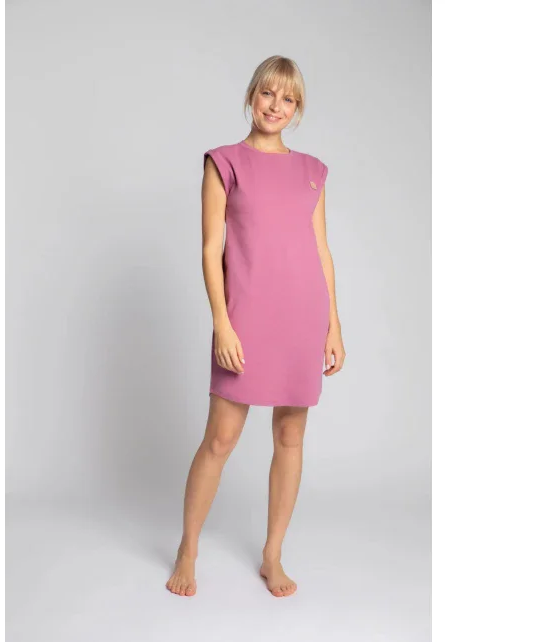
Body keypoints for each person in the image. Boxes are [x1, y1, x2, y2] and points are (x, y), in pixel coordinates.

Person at [166, 55, 346, 598]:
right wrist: (221, 323)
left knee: (290, 436)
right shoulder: (224, 162)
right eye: (268, 93)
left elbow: (321, 250)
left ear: (298, 109)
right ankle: (188, 548)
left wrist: (333, 326)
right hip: (245, 316)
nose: (276, 106)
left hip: (302, 315)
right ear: (252, 96)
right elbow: (210, 248)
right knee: (221, 438)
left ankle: (272, 555)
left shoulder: (313, 171)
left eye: (288, 99)